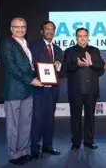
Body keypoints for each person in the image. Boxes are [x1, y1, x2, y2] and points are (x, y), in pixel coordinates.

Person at [0, 17, 43, 165]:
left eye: (23, 26)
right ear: (11, 28)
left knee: (26, 124)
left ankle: (23, 152)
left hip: (27, 91)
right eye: (17, 26)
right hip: (13, 91)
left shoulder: (26, 44)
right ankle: (14, 155)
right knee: (13, 126)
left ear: (26, 28)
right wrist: (31, 80)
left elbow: (29, 66)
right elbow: (12, 68)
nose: (20, 29)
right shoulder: (7, 44)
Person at [62, 28, 105, 150]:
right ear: (76, 38)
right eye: (80, 36)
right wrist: (77, 65)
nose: (82, 38)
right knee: (75, 117)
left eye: (84, 36)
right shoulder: (69, 51)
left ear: (88, 37)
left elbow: (101, 67)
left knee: (90, 117)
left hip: (91, 90)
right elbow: (64, 69)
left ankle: (89, 141)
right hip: (75, 90)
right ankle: (75, 142)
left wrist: (91, 63)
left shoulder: (94, 50)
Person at [30, 21, 63, 159]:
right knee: (37, 119)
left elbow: (62, 70)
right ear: (42, 31)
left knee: (50, 119)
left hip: (53, 90)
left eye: (52, 29)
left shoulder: (58, 49)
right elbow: (29, 65)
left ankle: (47, 146)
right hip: (39, 89)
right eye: (47, 29)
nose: (50, 31)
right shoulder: (34, 46)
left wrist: (59, 65)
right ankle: (35, 147)